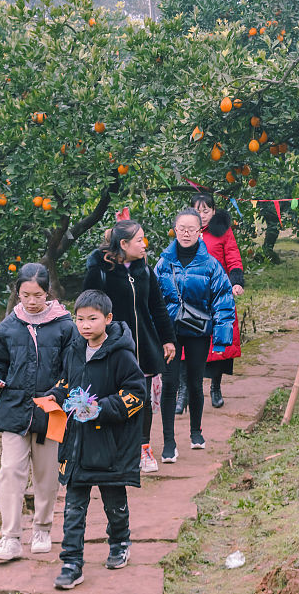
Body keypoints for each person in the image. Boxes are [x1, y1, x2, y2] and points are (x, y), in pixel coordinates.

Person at [45, 289, 146, 587]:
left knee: (113, 501)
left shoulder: (122, 354)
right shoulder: (74, 350)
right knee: (74, 506)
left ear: (108, 319)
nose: (85, 325)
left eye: (92, 319)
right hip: (77, 444)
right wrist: (55, 396)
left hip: (108, 444)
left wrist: (101, 409)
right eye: (80, 319)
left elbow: (136, 394)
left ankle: (119, 543)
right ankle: (71, 563)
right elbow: (67, 382)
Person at [0, 263, 74, 562]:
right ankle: (10, 537)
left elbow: (74, 368)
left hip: (51, 411)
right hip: (14, 409)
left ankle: (42, 529)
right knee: (10, 472)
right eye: (25, 294)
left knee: (46, 475)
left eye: (37, 295)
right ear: (17, 293)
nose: (31, 301)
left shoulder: (65, 326)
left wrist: (59, 393)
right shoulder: (9, 325)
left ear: (48, 293)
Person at [83, 220, 176, 474]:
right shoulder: (100, 271)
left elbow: (157, 306)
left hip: (142, 347)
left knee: (142, 399)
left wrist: (167, 339)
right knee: (112, 398)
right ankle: (115, 450)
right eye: (139, 240)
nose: (144, 245)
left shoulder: (143, 270)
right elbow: (87, 309)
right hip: (111, 347)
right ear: (123, 244)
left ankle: (143, 447)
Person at [155, 209, 235, 462]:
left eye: (192, 228)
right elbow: (152, 300)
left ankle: (196, 432)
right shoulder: (163, 262)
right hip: (170, 332)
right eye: (182, 228)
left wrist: (222, 338)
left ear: (200, 231)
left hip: (198, 331)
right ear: (175, 230)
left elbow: (223, 300)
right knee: (169, 384)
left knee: (194, 382)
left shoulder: (211, 264)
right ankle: (169, 441)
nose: (187, 233)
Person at [186, 193, 244, 410]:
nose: (201, 215)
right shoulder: (186, 231)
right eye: (197, 210)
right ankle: (187, 391)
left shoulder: (222, 232)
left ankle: (215, 387)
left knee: (218, 343)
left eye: (206, 210)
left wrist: (236, 281)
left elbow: (233, 256)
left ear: (213, 211)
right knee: (188, 344)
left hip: (217, 294)